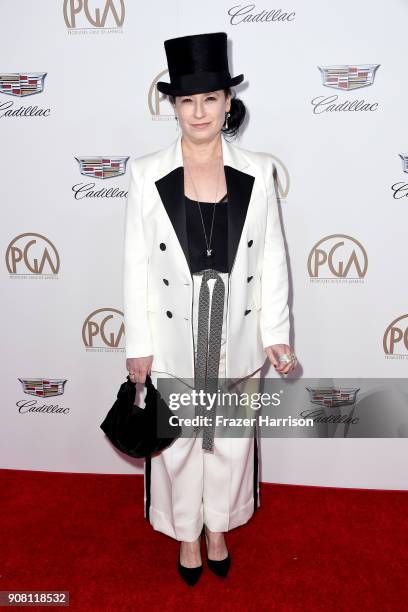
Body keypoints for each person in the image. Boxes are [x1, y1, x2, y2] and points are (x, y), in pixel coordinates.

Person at [123, 32, 297, 586]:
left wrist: (275, 331)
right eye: (186, 101)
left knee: (228, 438)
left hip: (238, 325)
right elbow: (135, 266)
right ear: (173, 106)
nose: (199, 112)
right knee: (177, 444)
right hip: (174, 329)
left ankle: (218, 526)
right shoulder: (144, 172)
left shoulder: (260, 170)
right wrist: (138, 345)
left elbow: (272, 258)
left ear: (227, 103)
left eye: (210, 98)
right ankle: (187, 533)